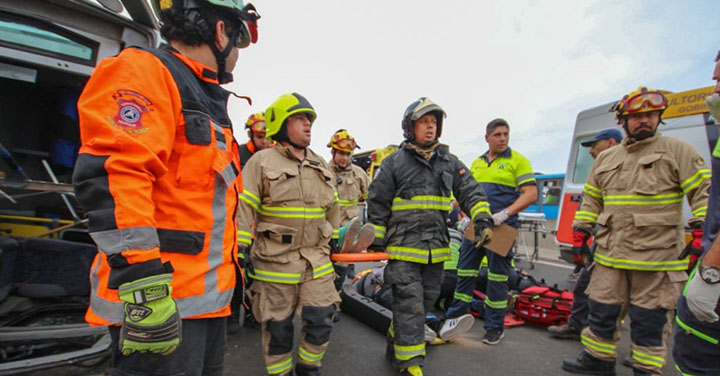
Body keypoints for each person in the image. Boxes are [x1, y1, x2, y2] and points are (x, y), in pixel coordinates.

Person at [71, 1, 260, 375]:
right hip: (161, 302)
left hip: (204, 303)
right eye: (240, 38)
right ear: (221, 32)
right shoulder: (145, 72)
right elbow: (115, 176)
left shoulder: (204, 97)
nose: (238, 53)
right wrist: (144, 288)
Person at [562, 87, 710, 376]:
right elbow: (591, 199)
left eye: (651, 115)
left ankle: (646, 370)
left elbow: (705, 194)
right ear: (623, 121)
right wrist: (580, 233)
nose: (644, 120)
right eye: (637, 116)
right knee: (601, 311)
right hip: (610, 256)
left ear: (659, 118)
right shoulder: (606, 159)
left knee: (649, 321)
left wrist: (702, 234)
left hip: (656, 259)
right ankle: (597, 361)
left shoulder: (677, 151)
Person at [367, 97, 494, 376]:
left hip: (436, 251)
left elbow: (471, 191)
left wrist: (483, 219)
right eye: (424, 122)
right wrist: (376, 239)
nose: (430, 127)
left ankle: (397, 336)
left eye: (434, 122)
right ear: (410, 127)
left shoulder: (450, 162)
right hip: (403, 250)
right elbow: (377, 202)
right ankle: (411, 364)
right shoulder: (394, 163)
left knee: (420, 307)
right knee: (410, 305)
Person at [237, 93, 340, 376]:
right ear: (281, 124)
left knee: (322, 319)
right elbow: (245, 207)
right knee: (278, 328)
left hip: (315, 261)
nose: (308, 125)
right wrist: (240, 248)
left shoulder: (320, 164)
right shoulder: (260, 163)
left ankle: (309, 369)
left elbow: (333, 207)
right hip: (274, 262)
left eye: (309, 120)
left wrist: (334, 237)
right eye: (300, 119)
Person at [445, 118, 538, 345]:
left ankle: (494, 327)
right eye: (497, 134)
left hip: (502, 227)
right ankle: (455, 318)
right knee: (464, 273)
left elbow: (531, 193)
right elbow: (465, 193)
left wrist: (506, 213)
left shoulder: (519, 161)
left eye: (506, 134)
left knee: (497, 279)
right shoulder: (476, 163)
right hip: (476, 226)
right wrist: (452, 207)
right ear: (487, 138)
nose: (503, 138)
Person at [549, 127, 623, 340]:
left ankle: (640, 352)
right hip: (604, 238)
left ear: (610, 143)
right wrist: (580, 235)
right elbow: (591, 202)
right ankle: (577, 324)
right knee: (585, 283)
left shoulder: (628, 165)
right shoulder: (601, 168)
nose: (591, 152)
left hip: (632, 241)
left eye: (594, 145)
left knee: (634, 296)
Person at [673, 50, 720, 376]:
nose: (714, 88)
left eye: (719, 79)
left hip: (712, 267)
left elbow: (702, 192)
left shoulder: (677, 151)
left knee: (698, 353)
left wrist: (711, 271)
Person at [228, 111, 273, 335]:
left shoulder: (272, 158)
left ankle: (253, 314)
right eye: (260, 137)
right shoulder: (240, 154)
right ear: (250, 134)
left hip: (262, 228)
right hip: (238, 223)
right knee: (236, 271)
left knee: (258, 274)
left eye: (267, 137)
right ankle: (231, 317)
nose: (265, 142)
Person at [327, 129, 371, 293]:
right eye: (341, 153)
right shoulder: (323, 171)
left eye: (348, 154)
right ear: (332, 151)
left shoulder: (359, 174)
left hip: (347, 236)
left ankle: (334, 306)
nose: (345, 158)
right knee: (321, 275)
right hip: (326, 232)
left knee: (340, 275)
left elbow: (372, 198)